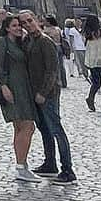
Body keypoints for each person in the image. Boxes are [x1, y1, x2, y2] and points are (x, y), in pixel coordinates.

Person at [19, 10, 77, 184]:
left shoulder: (46, 41)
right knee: (44, 129)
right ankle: (50, 163)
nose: (27, 24)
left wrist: (43, 93)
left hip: (48, 94)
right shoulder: (28, 40)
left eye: (29, 20)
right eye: (23, 23)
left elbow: (52, 70)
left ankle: (67, 169)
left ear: (36, 20)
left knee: (56, 129)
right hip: (35, 93)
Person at [0, 14, 39, 182]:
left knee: (20, 127)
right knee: (27, 126)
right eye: (15, 25)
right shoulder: (1, 43)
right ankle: (20, 166)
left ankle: (22, 165)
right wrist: (4, 87)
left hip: (23, 88)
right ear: (7, 28)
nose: (19, 28)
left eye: (20, 25)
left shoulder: (18, 42)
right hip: (12, 88)